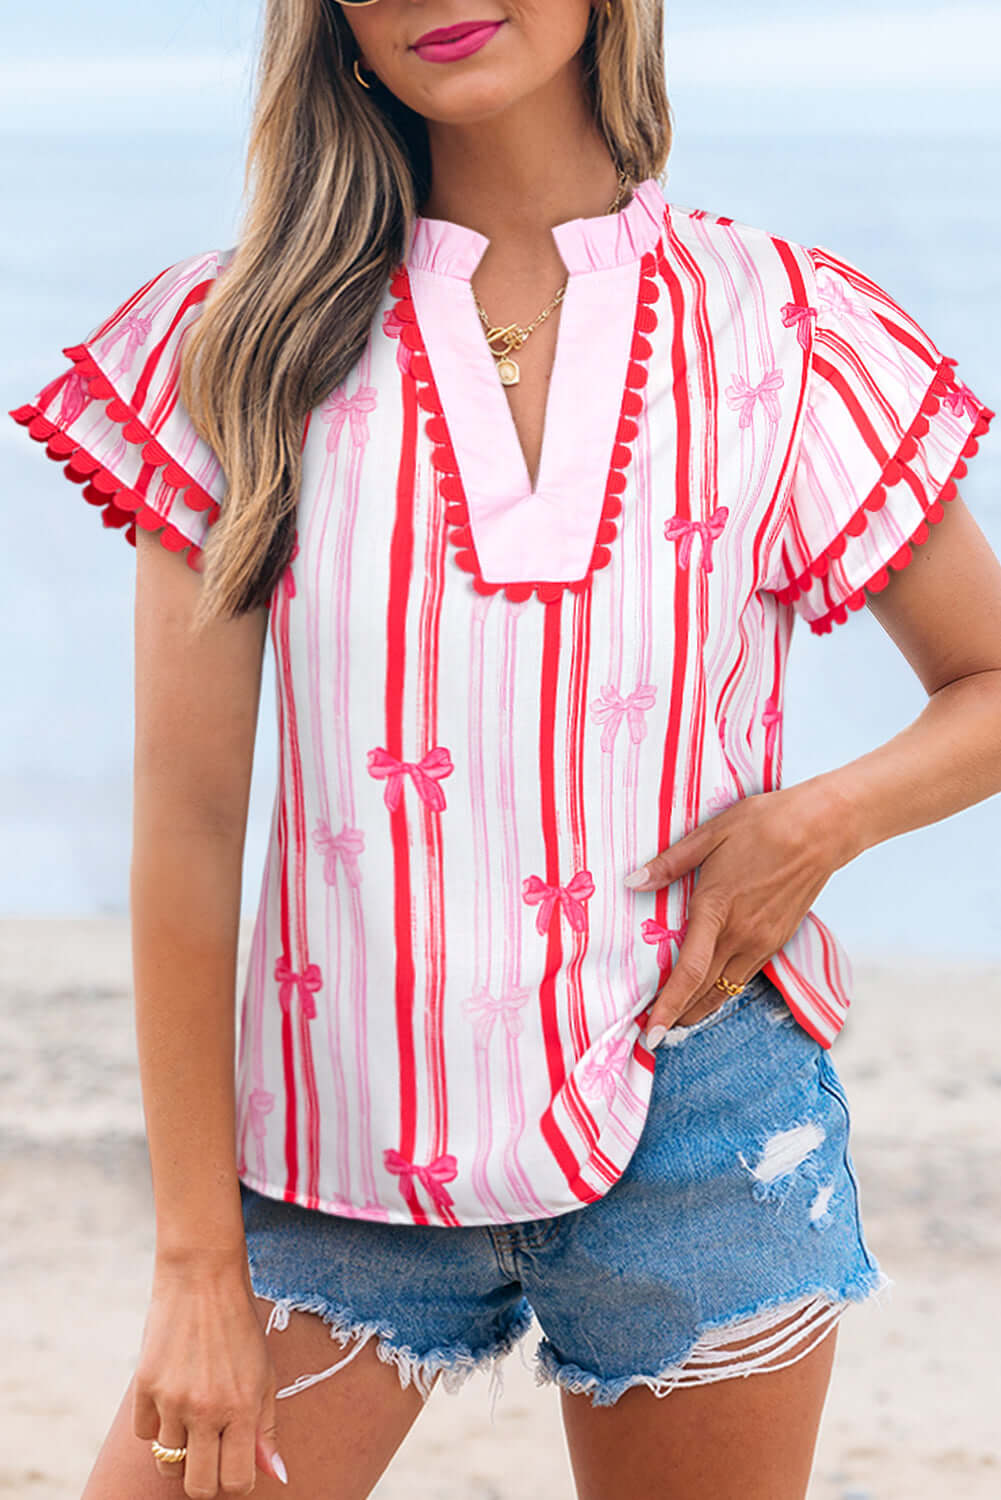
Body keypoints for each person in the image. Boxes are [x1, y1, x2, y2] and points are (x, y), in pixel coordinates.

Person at [10, 2, 1001, 1497]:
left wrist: (822, 821)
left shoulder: (783, 326)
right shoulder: (239, 353)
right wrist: (197, 1268)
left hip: (702, 1118)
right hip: (328, 1148)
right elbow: (193, 823)